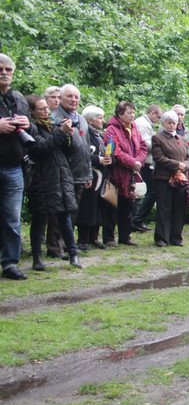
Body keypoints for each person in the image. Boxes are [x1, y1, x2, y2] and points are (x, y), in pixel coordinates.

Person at [26, 95, 82, 269]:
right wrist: (60, 132)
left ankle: (73, 254)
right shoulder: (31, 128)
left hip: (62, 176)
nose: (46, 111)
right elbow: (40, 148)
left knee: (65, 217)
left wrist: (68, 136)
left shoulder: (53, 125)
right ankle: (37, 258)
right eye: (42, 109)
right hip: (42, 178)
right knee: (39, 217)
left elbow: (69, 151)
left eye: (46, 108)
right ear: (32, 111)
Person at [50, 84, 92, 254]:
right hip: (62, 172)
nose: (73, 100)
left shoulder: (81, 119)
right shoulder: (54, 117)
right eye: (70, 96)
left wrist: (88, 173)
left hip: (80, 172)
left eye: (76, 97)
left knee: (73, 211)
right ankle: (55, 247)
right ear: (60, 98)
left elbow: (87, 146)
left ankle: (68, 244)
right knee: (58, 211)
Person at [0, 54, 31, 280]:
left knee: (12, 218)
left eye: (8, 70)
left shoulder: (18, 98)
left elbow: (31, 129)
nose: (4, 73)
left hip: (13, 166)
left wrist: (27, 123)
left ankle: (10, 263)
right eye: (1, 69)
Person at [103, 101, 148, 247]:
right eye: (129, 113)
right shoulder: (111, 129)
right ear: (120, 114)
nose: (132, 115)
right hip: (116, 173)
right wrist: (132, 162)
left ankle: (125, 236)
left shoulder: (134, 128)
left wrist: (138, 162)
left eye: (133, 112)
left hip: (131, 173)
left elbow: (142, 147)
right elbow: (115, 151)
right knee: (112, 205)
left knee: (128, 205)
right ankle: (109, 238)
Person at [151, 111, 189, 247]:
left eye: (174, 122)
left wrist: (185, 165)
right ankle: (162, 238)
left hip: (180, 178)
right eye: (168, 122)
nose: (171, 125)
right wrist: (176, 165)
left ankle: (176, 237)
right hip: (164, 178)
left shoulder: (182, 139)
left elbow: (188, 157)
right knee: (164, 208)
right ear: (163, 123)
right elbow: (159, 158)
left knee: (179, 207)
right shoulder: (158, 138)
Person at [75, 106, 113, 250]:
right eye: (100, 117)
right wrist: (98, 159)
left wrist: (109, 159)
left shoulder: (99, 135)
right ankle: (83, 239)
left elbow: (105, 152)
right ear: (90, 120)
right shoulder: (84, 133)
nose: (103, 121)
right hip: (89, 175)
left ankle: (94, 238)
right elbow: (82, 154)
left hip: (101, 177)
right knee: (86, 208)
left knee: (99, 207)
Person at [131, 104, 163, 232]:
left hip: (145, 162)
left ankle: (137, 220)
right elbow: (145, 143)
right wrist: (160, 145)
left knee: (143, 192)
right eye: (159, 117)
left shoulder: (145, 123)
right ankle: (137, 220)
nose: (159, 120)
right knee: (150, 192)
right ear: (152, 113)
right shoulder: (143, 124)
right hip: (143, 163)